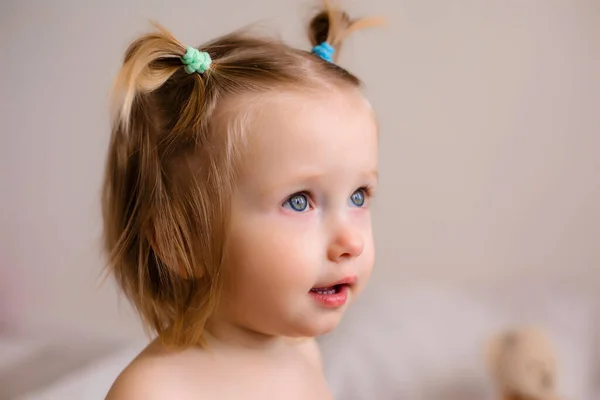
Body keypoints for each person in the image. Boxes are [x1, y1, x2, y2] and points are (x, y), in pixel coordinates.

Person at [103, 2, 382, 399]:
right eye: (300, 201)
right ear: (180, 241)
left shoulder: (303, 353)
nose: (351, 242)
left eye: (359, 195)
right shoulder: (156, 391)